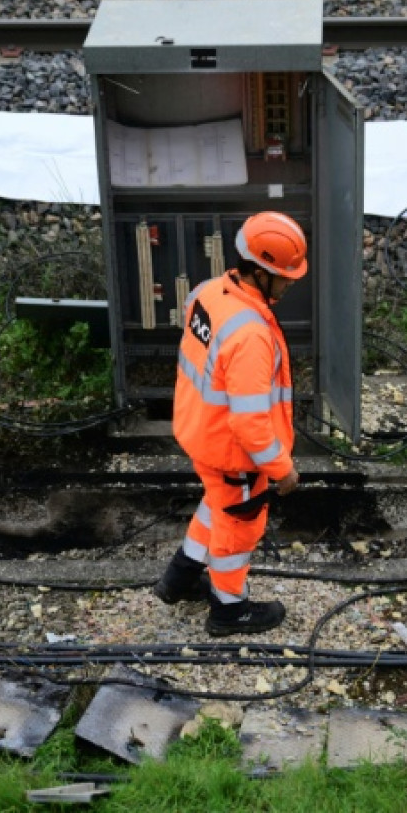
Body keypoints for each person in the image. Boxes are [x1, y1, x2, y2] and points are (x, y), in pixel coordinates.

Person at [153, 211, 306, 637]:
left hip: (201, 432)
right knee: (239, 527)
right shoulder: (251, 334)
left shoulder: (210, 293)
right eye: (285, 275)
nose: (292, 282)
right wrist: (282, 469)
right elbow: (252, 421)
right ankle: (229, 609)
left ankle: (180, 579)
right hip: (233, 453)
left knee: (217, 504)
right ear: (259, 271)